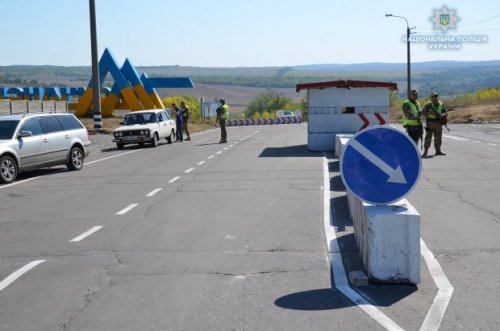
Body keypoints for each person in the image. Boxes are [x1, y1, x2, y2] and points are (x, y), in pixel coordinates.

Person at [422, 92, 448, 156]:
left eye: (436, 96)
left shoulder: (441, 104)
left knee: (438, 137)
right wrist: (430, 113)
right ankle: (425, 151)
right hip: (430, 123)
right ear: (431, 97)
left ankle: (438, 150)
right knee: (428, 137)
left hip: (439, 123)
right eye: (433, 96)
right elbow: (423, 113)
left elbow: (445, 112)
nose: (435, 97)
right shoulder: (428, 105)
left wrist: (442, 115)